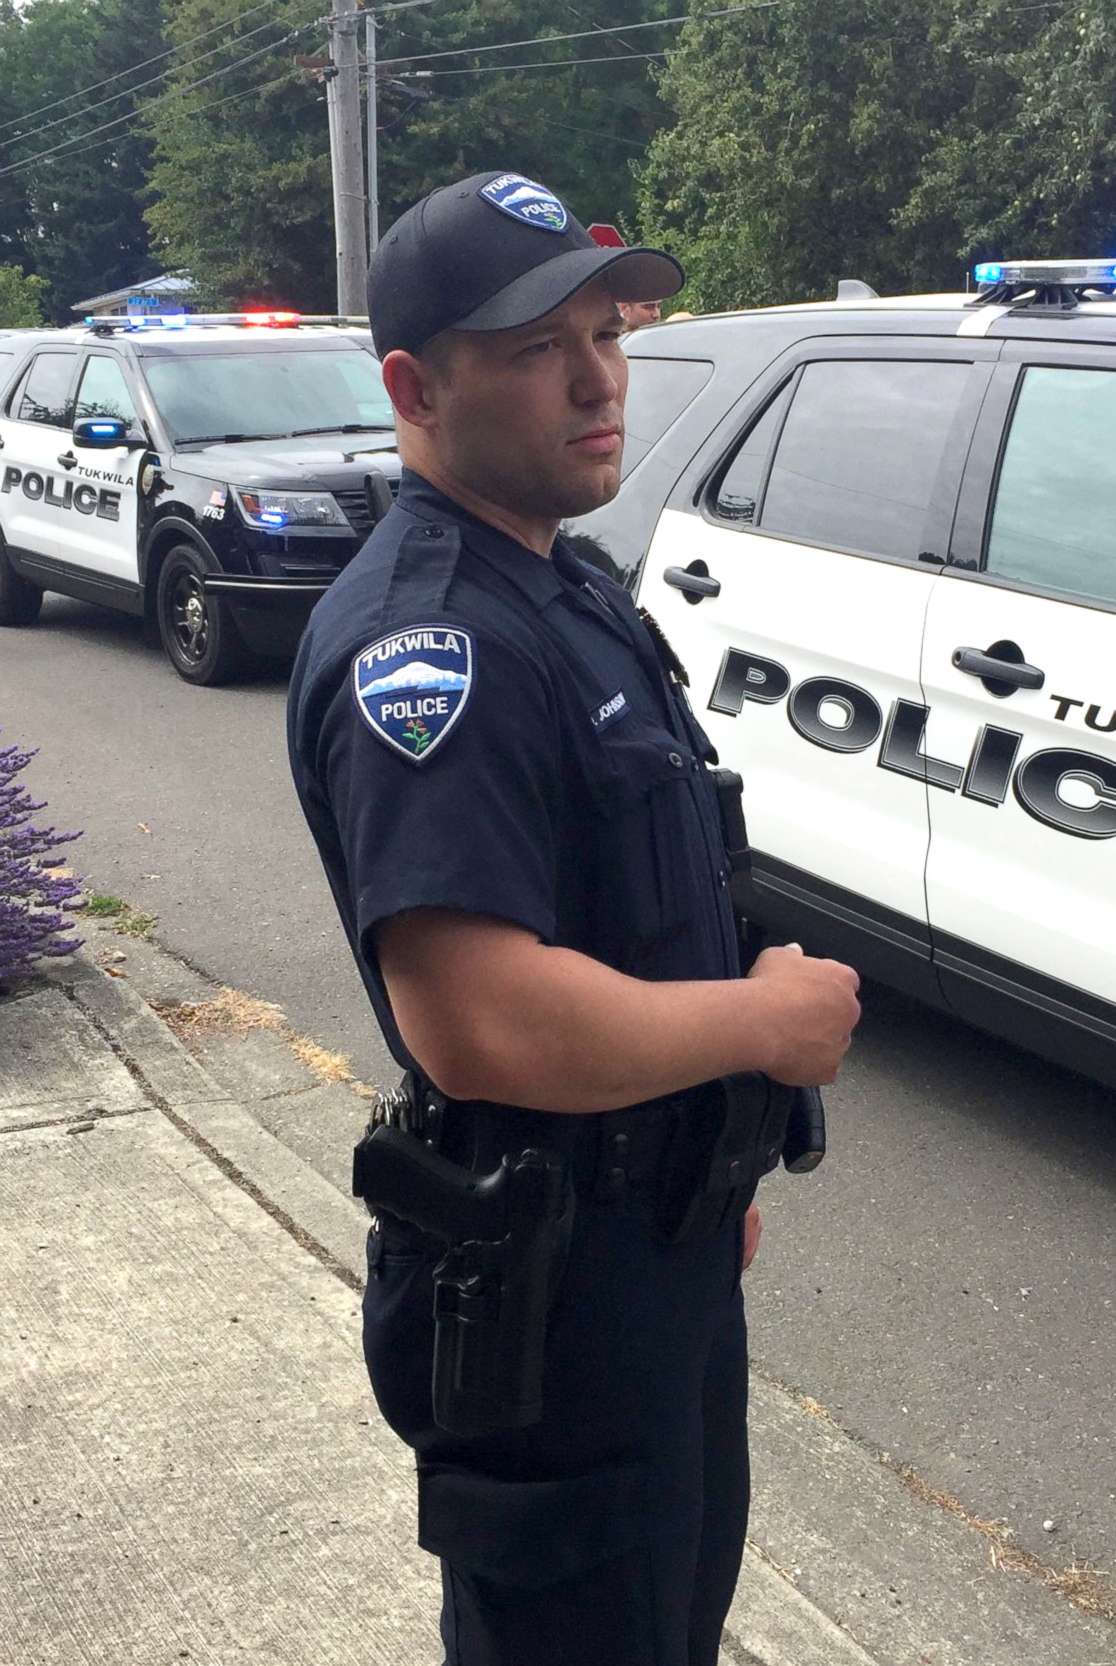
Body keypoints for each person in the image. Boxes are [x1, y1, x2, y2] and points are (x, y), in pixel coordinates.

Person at [287, 168, 860, 1666]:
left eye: (609, 328)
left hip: (650, 1248)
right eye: (542, 347)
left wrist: (712, 1151)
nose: (601, 376)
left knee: (669, 1615)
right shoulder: (433, 643)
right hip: (549, 1294)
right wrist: (769, 1024)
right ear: (414, 385)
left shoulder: (566, 581)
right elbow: (477, 1018)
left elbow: (635, 906)